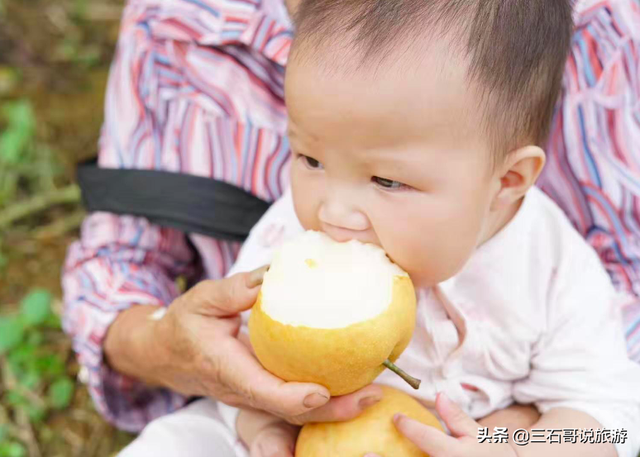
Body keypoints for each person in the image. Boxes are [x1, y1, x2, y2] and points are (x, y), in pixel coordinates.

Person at [61, 0, 640, 452]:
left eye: (388, 181)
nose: (331, 214)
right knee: (178, 444)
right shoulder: (290, 245)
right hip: (309, 440)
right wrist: (262, 426)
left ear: (509, 181)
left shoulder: (554, 265)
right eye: (310, 160)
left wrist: (513, 447)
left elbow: (605, 420)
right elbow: (237, 366)